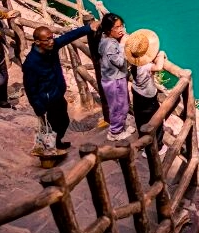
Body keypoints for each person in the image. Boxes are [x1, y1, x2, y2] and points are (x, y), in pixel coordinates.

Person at [22, 20, 99, 150]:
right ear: (37, 42)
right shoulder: (31, 63)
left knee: (64, 122)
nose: (51, 41)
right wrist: (38, 107)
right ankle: (50, 150)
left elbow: (69, 36)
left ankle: (56, 143)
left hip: (57, 94)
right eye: (47, 39)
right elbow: (30, 88)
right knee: (53, 126)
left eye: (52, 38)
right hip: (46, 100)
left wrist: (88, 28)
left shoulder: (52, 47)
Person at [124, 29, 167, 148]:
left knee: (140, 118)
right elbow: (158, 67)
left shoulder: (134, 63)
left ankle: (143, 141)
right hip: (148, 97)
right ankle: (158, 146)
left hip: (137, 93)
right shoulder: (146, 66)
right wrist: (161, 54)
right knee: (155, 119)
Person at [96, 12, 132, 141]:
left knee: (121, 105)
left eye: (121, 26)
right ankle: (115, 132)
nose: (121, 29)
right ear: (108, 30)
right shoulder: (111, 44)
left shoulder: (104, 39)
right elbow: (120, 62)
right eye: (117, 27)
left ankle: (120, 127)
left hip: (112, 78)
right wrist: (122, 44)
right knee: (118, 107)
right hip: (114, 80)